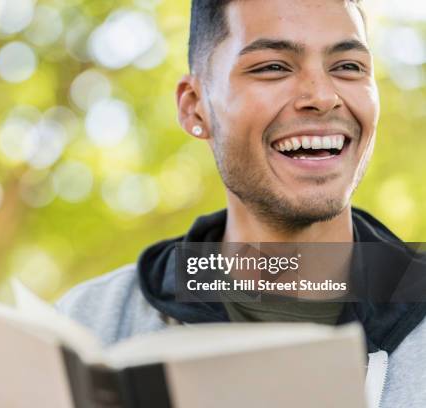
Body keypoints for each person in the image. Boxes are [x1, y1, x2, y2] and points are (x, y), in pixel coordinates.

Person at [55, 1, 426, 406]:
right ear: (194, 105)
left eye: (348, 67)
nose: (322, 96)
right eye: (273, 67)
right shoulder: (88, 323)